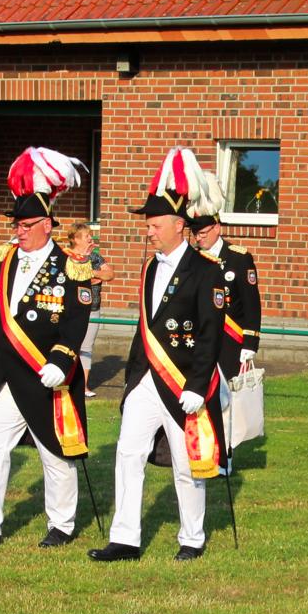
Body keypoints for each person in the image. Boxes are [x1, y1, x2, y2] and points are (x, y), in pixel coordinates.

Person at [0, 148, 92, 548]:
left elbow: (76, 320)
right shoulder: (6, 259)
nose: (19, 231)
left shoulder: (71, 265)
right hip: (6, 371)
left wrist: (61, 360)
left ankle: (61, 525)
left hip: (45, 372)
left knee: (54, 451)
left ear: (46, 224)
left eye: (26, 225)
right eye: (16, 224)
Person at [90, 148, 228, 562]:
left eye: (154, 224)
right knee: (128, 453)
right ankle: (125, 538)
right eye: (148, 225)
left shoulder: (207, 270)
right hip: (146, 379)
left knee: (186, 463)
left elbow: (210, 334)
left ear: (178, 225)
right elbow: (145, 327)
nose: (148, 231)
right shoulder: (151, 267)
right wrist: (133, 379)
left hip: (184, 382)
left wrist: (199, 386)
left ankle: (192, 537)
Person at [188, 202, 261, 380]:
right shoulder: (192, 258)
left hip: (230, 339)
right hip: (200, 338)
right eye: (195, 234)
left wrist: (250, 343)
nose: (198, 238)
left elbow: (251, 304)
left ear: (217, 228)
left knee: (229, 391)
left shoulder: (238, 258)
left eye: (202, 233)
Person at [66, 221, 113, 375]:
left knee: (86, 348)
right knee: (68, 345)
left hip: (92, 308)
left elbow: (109, 274)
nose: (90, 238)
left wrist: (92, 273)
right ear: (76, 239)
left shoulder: (94, 256)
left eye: (90, 235)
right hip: (71, 309)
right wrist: (85, 277)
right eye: (87, 236)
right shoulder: (66, 256)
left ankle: (84, 385)